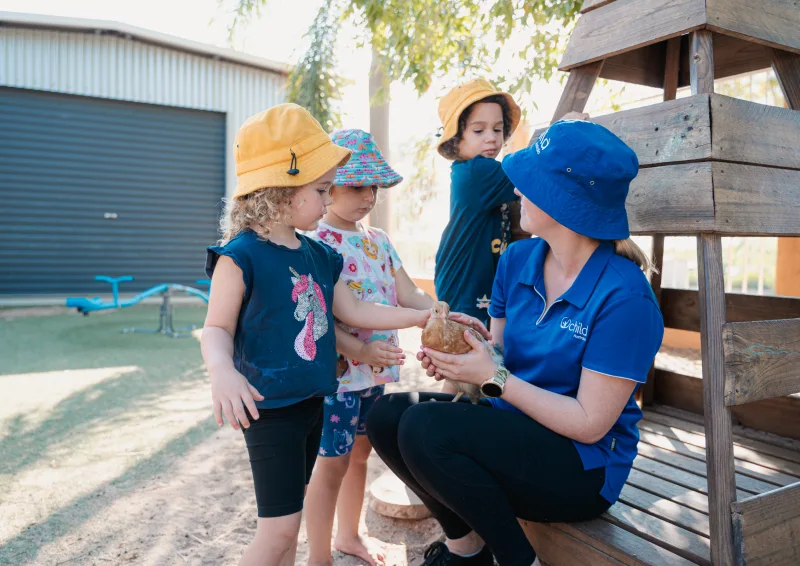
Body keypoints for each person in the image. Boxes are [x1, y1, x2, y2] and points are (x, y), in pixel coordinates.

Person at [366, 120, 665, 566]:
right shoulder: (518, 259)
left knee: (425, 428)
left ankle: (516, 560)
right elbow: (499, 360)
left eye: (530, 182)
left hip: (582, 467)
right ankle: (466, 552)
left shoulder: (626, 298)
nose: (517, 189)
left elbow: (588, 424)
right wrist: (471, 356)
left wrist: (494, 377)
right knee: (388, 414)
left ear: (565, 203)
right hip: (516, 425)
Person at [200, 104, 431, 566]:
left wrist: (419, 318)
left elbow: (354, 308)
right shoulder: (240, 256)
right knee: (279, 530)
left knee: (288, 526)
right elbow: (215, 328)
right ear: (282, 190)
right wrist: (222, 372)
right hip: (270, 409)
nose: (328, 202)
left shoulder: (319, 255)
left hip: (312, 403)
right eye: (322, 190)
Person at [305, 129, 434, 566]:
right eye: (357, 185)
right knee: (331, 464)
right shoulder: (319, 243)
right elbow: (325, 318)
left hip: (375, 374)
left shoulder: (378, 240)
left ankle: (349, 535)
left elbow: (408, 293)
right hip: (340, 377)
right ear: (331, 185)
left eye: (373, 186)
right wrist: (359, 352)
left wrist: (436, 310)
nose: (368, 196)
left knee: (359, 456)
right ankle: (319, 554)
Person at [433, 78, 521, 325]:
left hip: (475, 288)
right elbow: (530, 170)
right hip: (464, 288)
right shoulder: (476, 173)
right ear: (456, 139)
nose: (492, 138)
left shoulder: (479, 172)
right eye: (479, 130)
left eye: (498, 129)